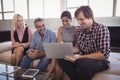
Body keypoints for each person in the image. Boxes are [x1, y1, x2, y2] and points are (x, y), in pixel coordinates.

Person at [58, 6, 110, 80]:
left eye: (81, 19)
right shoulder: (81, 30)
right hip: (83, 58)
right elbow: (78, 47)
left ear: (90, 17)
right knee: (62, 59)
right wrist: (66, 51)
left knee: (84, 63)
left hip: (99, 61)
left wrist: (81, 57)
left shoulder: (101, 29)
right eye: (78, 20)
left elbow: (103, 54)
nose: (79, 22)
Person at [46, 11, 78, 80]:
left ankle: (49, 73)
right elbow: (59, 42)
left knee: (57, 63)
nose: (64, 23)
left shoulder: (75, 29)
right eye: (63, 21)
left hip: (71, 50)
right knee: (58, 64)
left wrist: (71, 49)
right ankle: (49, 74)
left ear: (71, 20)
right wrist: (60, 45)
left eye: (67, 21)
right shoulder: (60, 28)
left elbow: (77, 44)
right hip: (62, 49)